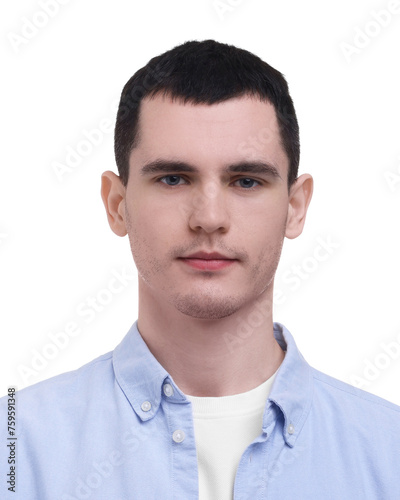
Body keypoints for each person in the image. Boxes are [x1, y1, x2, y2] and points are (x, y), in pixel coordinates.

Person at [1, 39, 399, 500]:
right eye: (173, 178)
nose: (209, 217)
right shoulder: (17, 445)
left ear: (295, 207)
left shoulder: (388, 452)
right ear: (116, 204)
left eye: (246, 180)